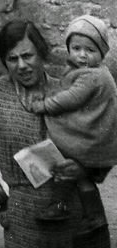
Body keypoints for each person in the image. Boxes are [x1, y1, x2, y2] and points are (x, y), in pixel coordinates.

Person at [0, 19, 112, 248]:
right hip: (23, 217)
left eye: (28, 56)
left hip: (77, 215)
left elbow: (104, 137)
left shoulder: (68, 91)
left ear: (42, 53)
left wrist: (85, 168)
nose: (22, 65)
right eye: (12, 59)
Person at [26, 14, 117, 225]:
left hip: (90, 135)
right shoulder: (89, 71)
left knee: (61, 159)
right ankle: (95, 216)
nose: (82, 55)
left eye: (90, 50)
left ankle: (59, 205)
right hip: (95, 136)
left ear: (102, 53)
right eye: (76, 49)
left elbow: (70, 99)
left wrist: (44, 105)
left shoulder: (92, 76)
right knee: (80, 177)